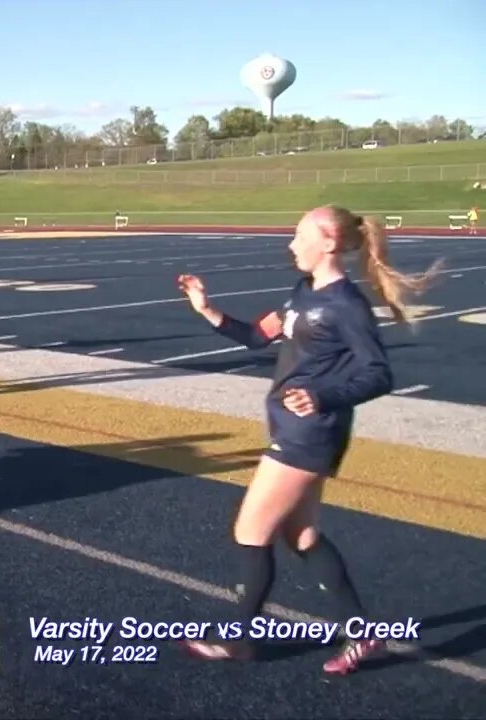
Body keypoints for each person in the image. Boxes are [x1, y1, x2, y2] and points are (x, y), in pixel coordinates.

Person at [176, 205, 440, 674]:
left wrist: (322, 395)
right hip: (292, 429)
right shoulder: (302, 292)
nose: (292, 245)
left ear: (330, 243)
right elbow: (259, 336)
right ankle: (361, 633)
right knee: (302, 535)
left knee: (250, 531)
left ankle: (237, 639)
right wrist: (207, 308)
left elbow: (378, 373)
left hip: (309, 435)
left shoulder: (346, 306)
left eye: (300, 236)